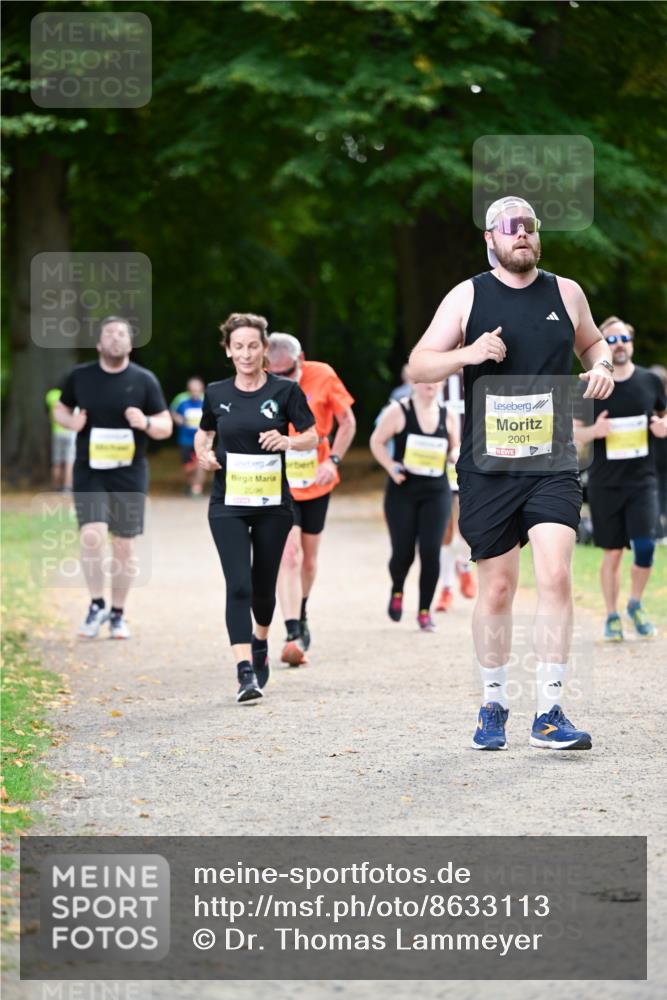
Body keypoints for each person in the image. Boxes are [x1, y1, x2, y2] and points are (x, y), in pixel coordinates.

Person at [409, 195, 614, 751]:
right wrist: (468, 353)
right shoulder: (468, 295)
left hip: (550, 462)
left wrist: (599, 367)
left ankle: (549, 711)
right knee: (497, 588)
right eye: (509, 226)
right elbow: (419, 363)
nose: (521, 233)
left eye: (529, 226)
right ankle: (493, 704)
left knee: (556, 575)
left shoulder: (566, 292)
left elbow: (593, 343)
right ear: (490, 238)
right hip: (489, 466)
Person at [195, 314, 317, 703]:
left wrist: (288, 442)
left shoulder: (285, 391)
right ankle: (245, 670)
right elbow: (205, 431)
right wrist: (203, 453)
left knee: (263, 589)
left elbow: (312, 436)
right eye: (238, 346)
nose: (246, 353)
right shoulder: (216, 393)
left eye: (253, 346)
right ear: (228, 351)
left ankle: (261, 640)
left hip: (272, 505)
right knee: (239, 586)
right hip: (227, 503)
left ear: (264, 349)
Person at [54, 317, 172, 639]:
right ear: (99, 343)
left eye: (122, 333)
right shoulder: (81, 377)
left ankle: (118, 613)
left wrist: (145, 422)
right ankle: (96, 605)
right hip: (90, 470)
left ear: (130, 344)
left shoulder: (144, 380)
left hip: (129, 472)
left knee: (123, 544)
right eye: (109, 333)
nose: (116, 338)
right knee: (91, 536)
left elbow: (165, 425)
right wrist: (71, 422)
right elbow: (60, 410)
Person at [573, 317, 666, 640]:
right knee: (612, 552)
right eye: (610, 340)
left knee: (645, 548)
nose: (619, 344)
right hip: (605, 482)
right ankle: (612, 615)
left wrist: (661, 427)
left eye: (624, 338)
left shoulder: (650, 381)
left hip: (643, 481)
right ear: (604, 346)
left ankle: (635, 604)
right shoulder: (592, 385)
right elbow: (572, 433)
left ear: (632, 341)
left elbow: (662, 415)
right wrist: (593, 431)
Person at [266, 333, 356, 666]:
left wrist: (333, 461)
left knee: (309, 560)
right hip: (279, 480)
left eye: (287, 373)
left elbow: (348, 422)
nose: (281, 380)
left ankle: (301, 612)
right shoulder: (259, 380)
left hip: (316, 480)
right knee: (290, 554)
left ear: (300, 359)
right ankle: (291, 632)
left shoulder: (323, 374)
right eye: (274, 374)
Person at [370, 379, 458, 631]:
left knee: (431, 552)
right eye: (424, 379)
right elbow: (376, 441)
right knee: (403, 554)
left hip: (436, 493)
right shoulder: (398, 411)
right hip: (402, 492)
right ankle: (397, 589)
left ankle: (424, 612)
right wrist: (390, 466)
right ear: (414, 382)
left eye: (435, 380)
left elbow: (455, 446)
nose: (430, 384)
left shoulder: (448, 415)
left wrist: (455, 454)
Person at [435, 374, 477, 611]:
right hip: (443, 461)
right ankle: (447, 588)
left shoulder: (486, 372)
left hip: (476, 461)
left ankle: (464, 566)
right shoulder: (440, 378)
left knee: (467, 525)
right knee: (445, 530)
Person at [171, 377, 206, 496]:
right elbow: (172, 412)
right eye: (193, 390)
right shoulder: (181, 399)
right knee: (188, 466)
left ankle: (197, 488)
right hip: (185, 439)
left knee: (201, 462)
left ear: (202, 389)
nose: (195, 393)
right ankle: (190, 483)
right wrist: (177, 419)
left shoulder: (206, 400)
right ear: (189, 390)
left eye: (198, 390)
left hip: (201, 439)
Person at [45, 382, 76, 491]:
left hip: (57, 431)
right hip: (70, 432)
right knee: (69, 461)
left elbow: (47, 411)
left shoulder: (51, 395)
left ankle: (56, 486)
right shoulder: (72, 395)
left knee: (57, 461)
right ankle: (67, 486)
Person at [650, 364, 667, 543]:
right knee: (661, 492)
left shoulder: (647, 400)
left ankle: (659, 531)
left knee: (655, 492)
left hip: (653, 455)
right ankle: (661, 531)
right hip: (660, 454)